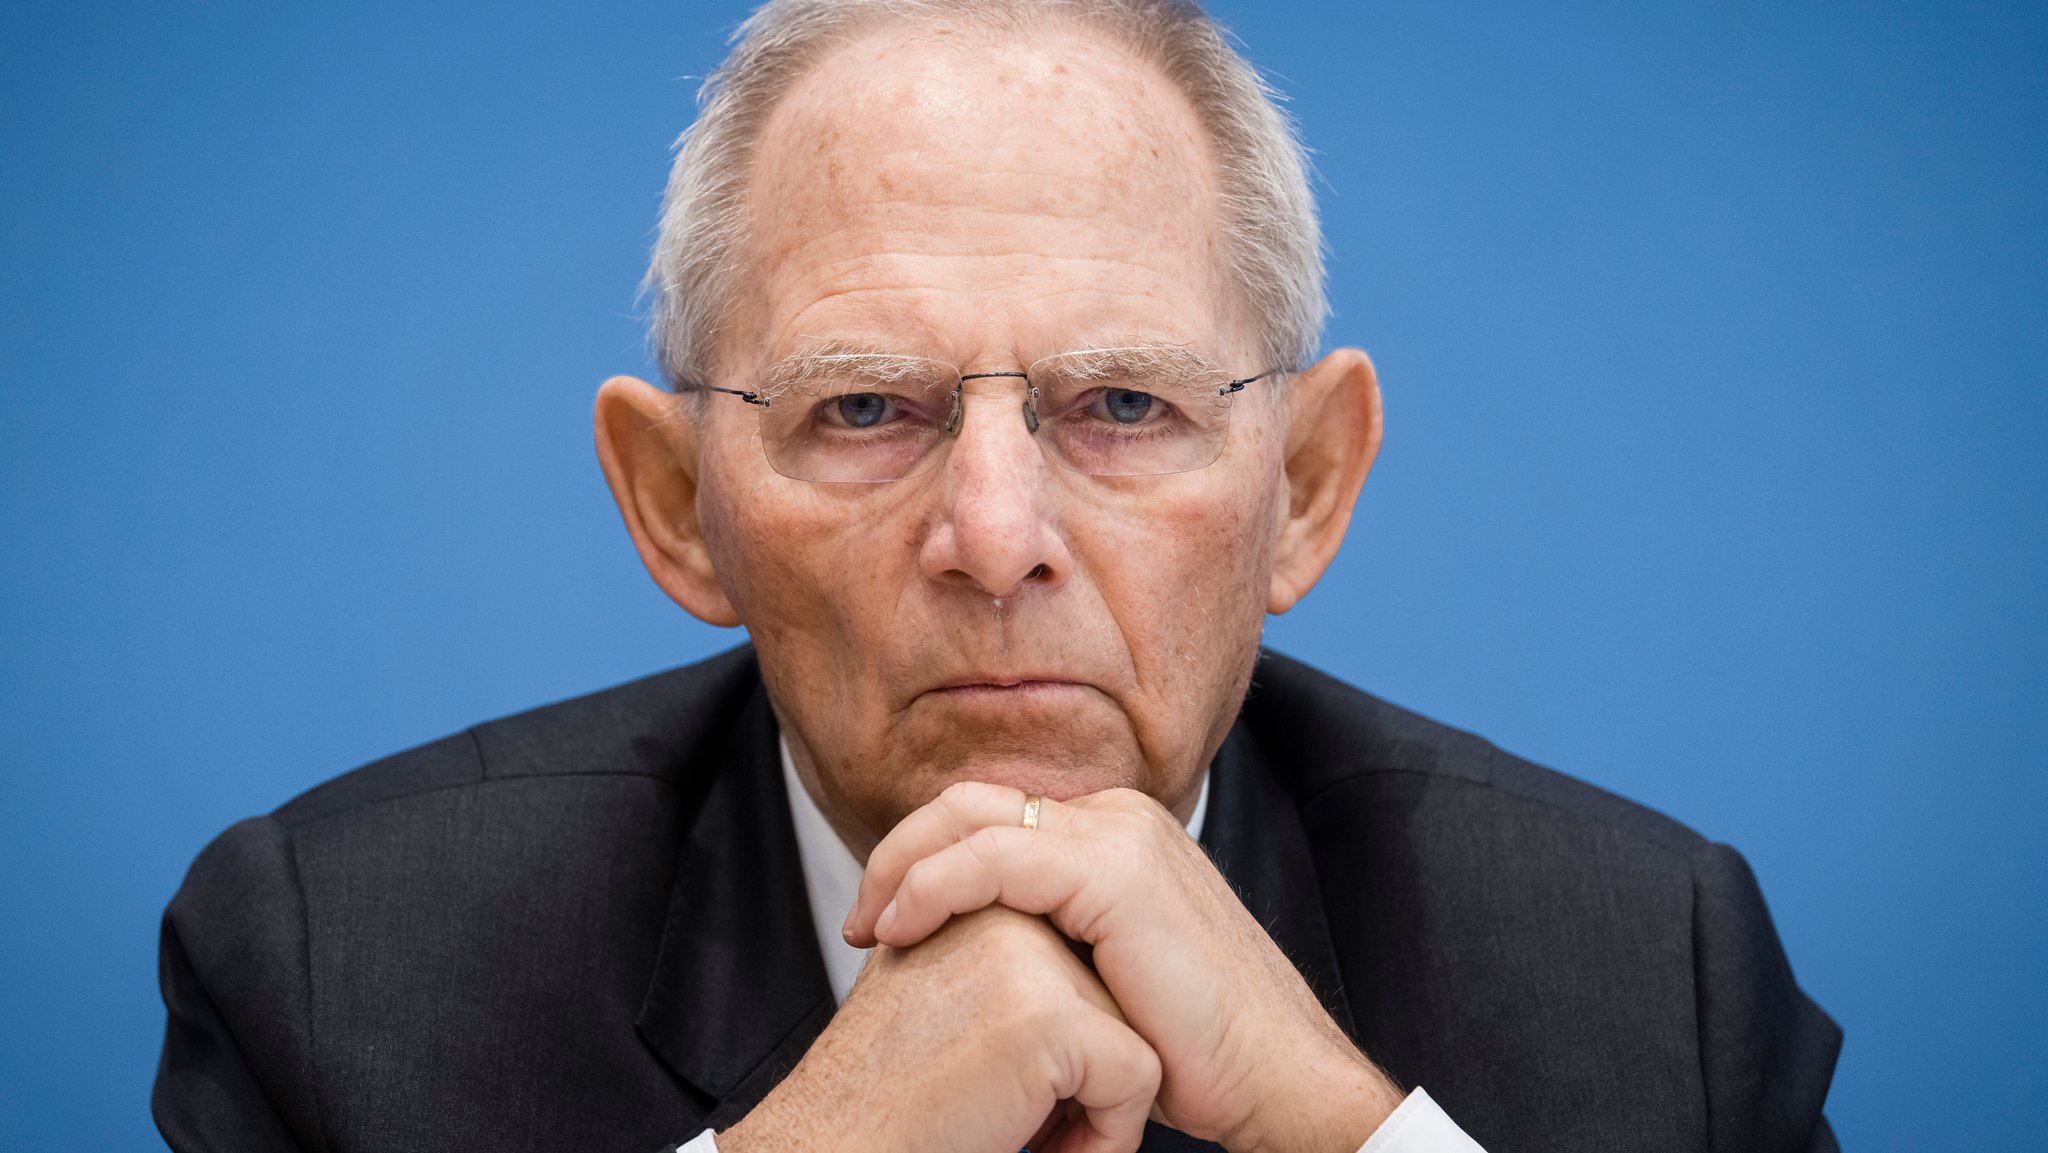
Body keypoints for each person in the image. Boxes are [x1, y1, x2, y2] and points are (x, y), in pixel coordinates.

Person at [151, 1, 1842, 1150]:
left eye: (1123, 404)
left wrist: (1342, 1127)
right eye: (865, 406)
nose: (996, 531)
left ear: (1305, 486)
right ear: (678, 505)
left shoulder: (1645, 978)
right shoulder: (340, 968)